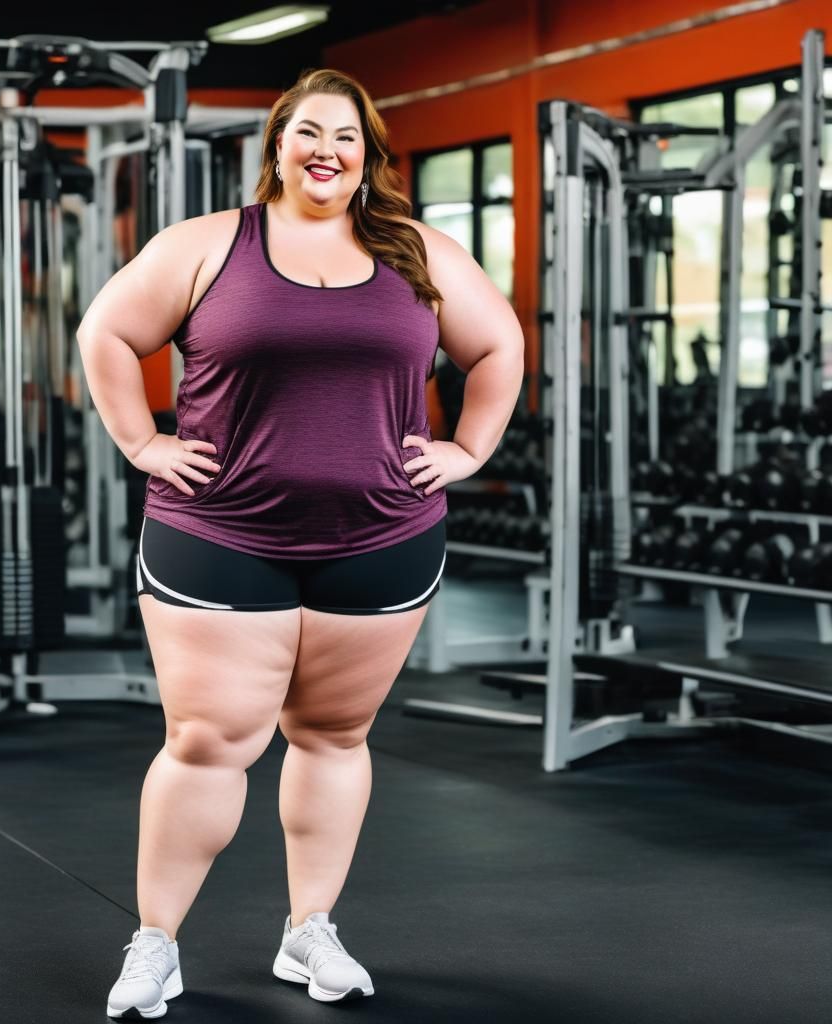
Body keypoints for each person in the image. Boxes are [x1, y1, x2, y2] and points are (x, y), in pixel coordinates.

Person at [77, 67, 524, 1020]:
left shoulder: (416, 253)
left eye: (348, 137)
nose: (328, 150)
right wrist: (143, 442)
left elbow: (500, 346)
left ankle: (306, 931)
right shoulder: (209, 246)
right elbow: (108, 332)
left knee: (334, 737)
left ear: (368, 157)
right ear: (277, 143)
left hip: (382, 533)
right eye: (310, 132)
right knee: (208, 743)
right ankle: (155, 944)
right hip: (222, 530)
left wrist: (470, 446)